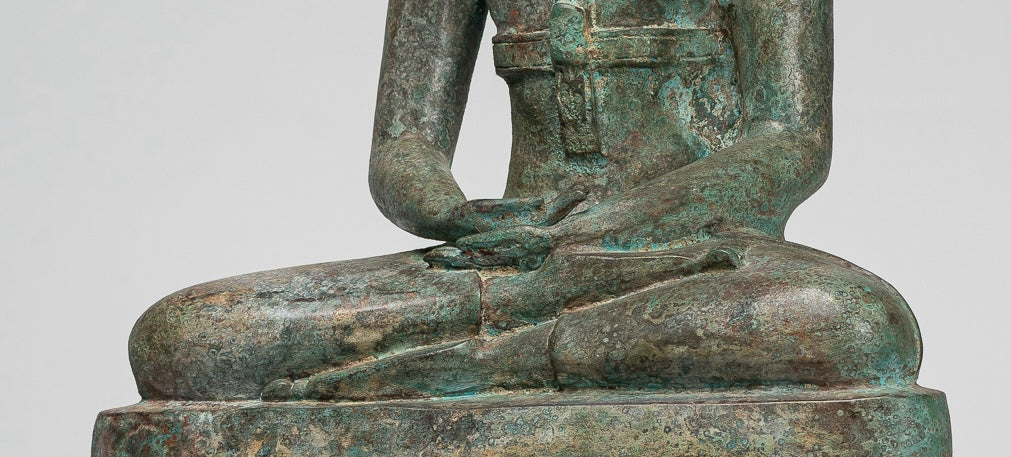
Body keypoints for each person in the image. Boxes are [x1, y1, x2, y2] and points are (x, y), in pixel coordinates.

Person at [129, 0, 921, 402]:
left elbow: (787, 141)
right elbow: (403, 144)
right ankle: (510, 351)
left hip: (693, 259)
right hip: (506, 265)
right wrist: (453, 214)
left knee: (854, 325)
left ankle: (484, 363)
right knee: (187, 339)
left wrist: (602, 228)